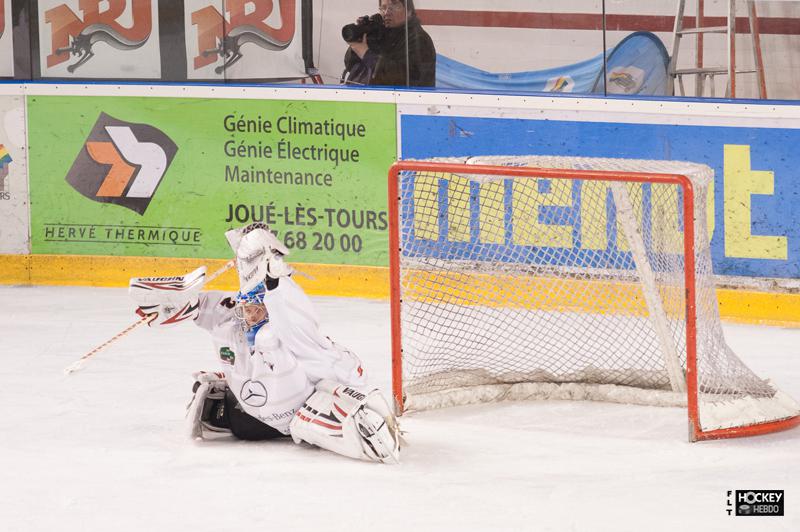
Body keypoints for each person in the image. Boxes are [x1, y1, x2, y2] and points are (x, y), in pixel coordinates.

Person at [129, 222, 401, 463]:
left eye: (258, 310)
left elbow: (292, 314)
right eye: (247, 309)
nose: (250, 316)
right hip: (246, 421)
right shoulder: (234, 319)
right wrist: (173, 304)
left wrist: (274, 282)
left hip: (288, 417)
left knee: (270, 338)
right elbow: (204, 307)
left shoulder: (292, 333)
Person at [342, 0, 436, 87]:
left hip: (404, 99)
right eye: (383, 8)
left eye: (394, 6)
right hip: (364, 96)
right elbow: (349, 65)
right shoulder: (382, 34)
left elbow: (400, 78)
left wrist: (366, 54)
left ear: (409, 11)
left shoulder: (419, 39)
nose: (387, 13)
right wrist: (361, 38)